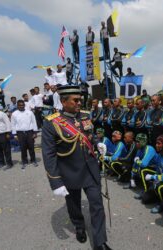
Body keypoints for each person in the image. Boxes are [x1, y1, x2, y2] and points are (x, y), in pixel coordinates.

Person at [41, 85, 111, 250]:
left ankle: (100, 242)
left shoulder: (85, 116)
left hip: (91, 169)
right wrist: (56, 182)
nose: (80, 103)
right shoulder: (51, 122)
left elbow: (89, 134)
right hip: (69, 172)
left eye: (80, 99)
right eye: (76, 100)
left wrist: (97, 143)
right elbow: (49, 154)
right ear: (64, 101)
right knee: (73, 204)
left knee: (97, 205)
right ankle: (79, 225)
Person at [11, 100, 38, 169]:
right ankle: (24, 161)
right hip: (20, 133)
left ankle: (33, 160)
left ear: (24, 105)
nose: (21, 106)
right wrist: (14, 134)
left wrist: (35, 132)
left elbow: (34, 122)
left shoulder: (29, 112)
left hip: (29, 132)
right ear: (17, 106)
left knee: (31, 147)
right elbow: (13, 125)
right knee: (23, 148)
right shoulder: (14, 114)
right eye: (20, 105)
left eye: (22, 105)